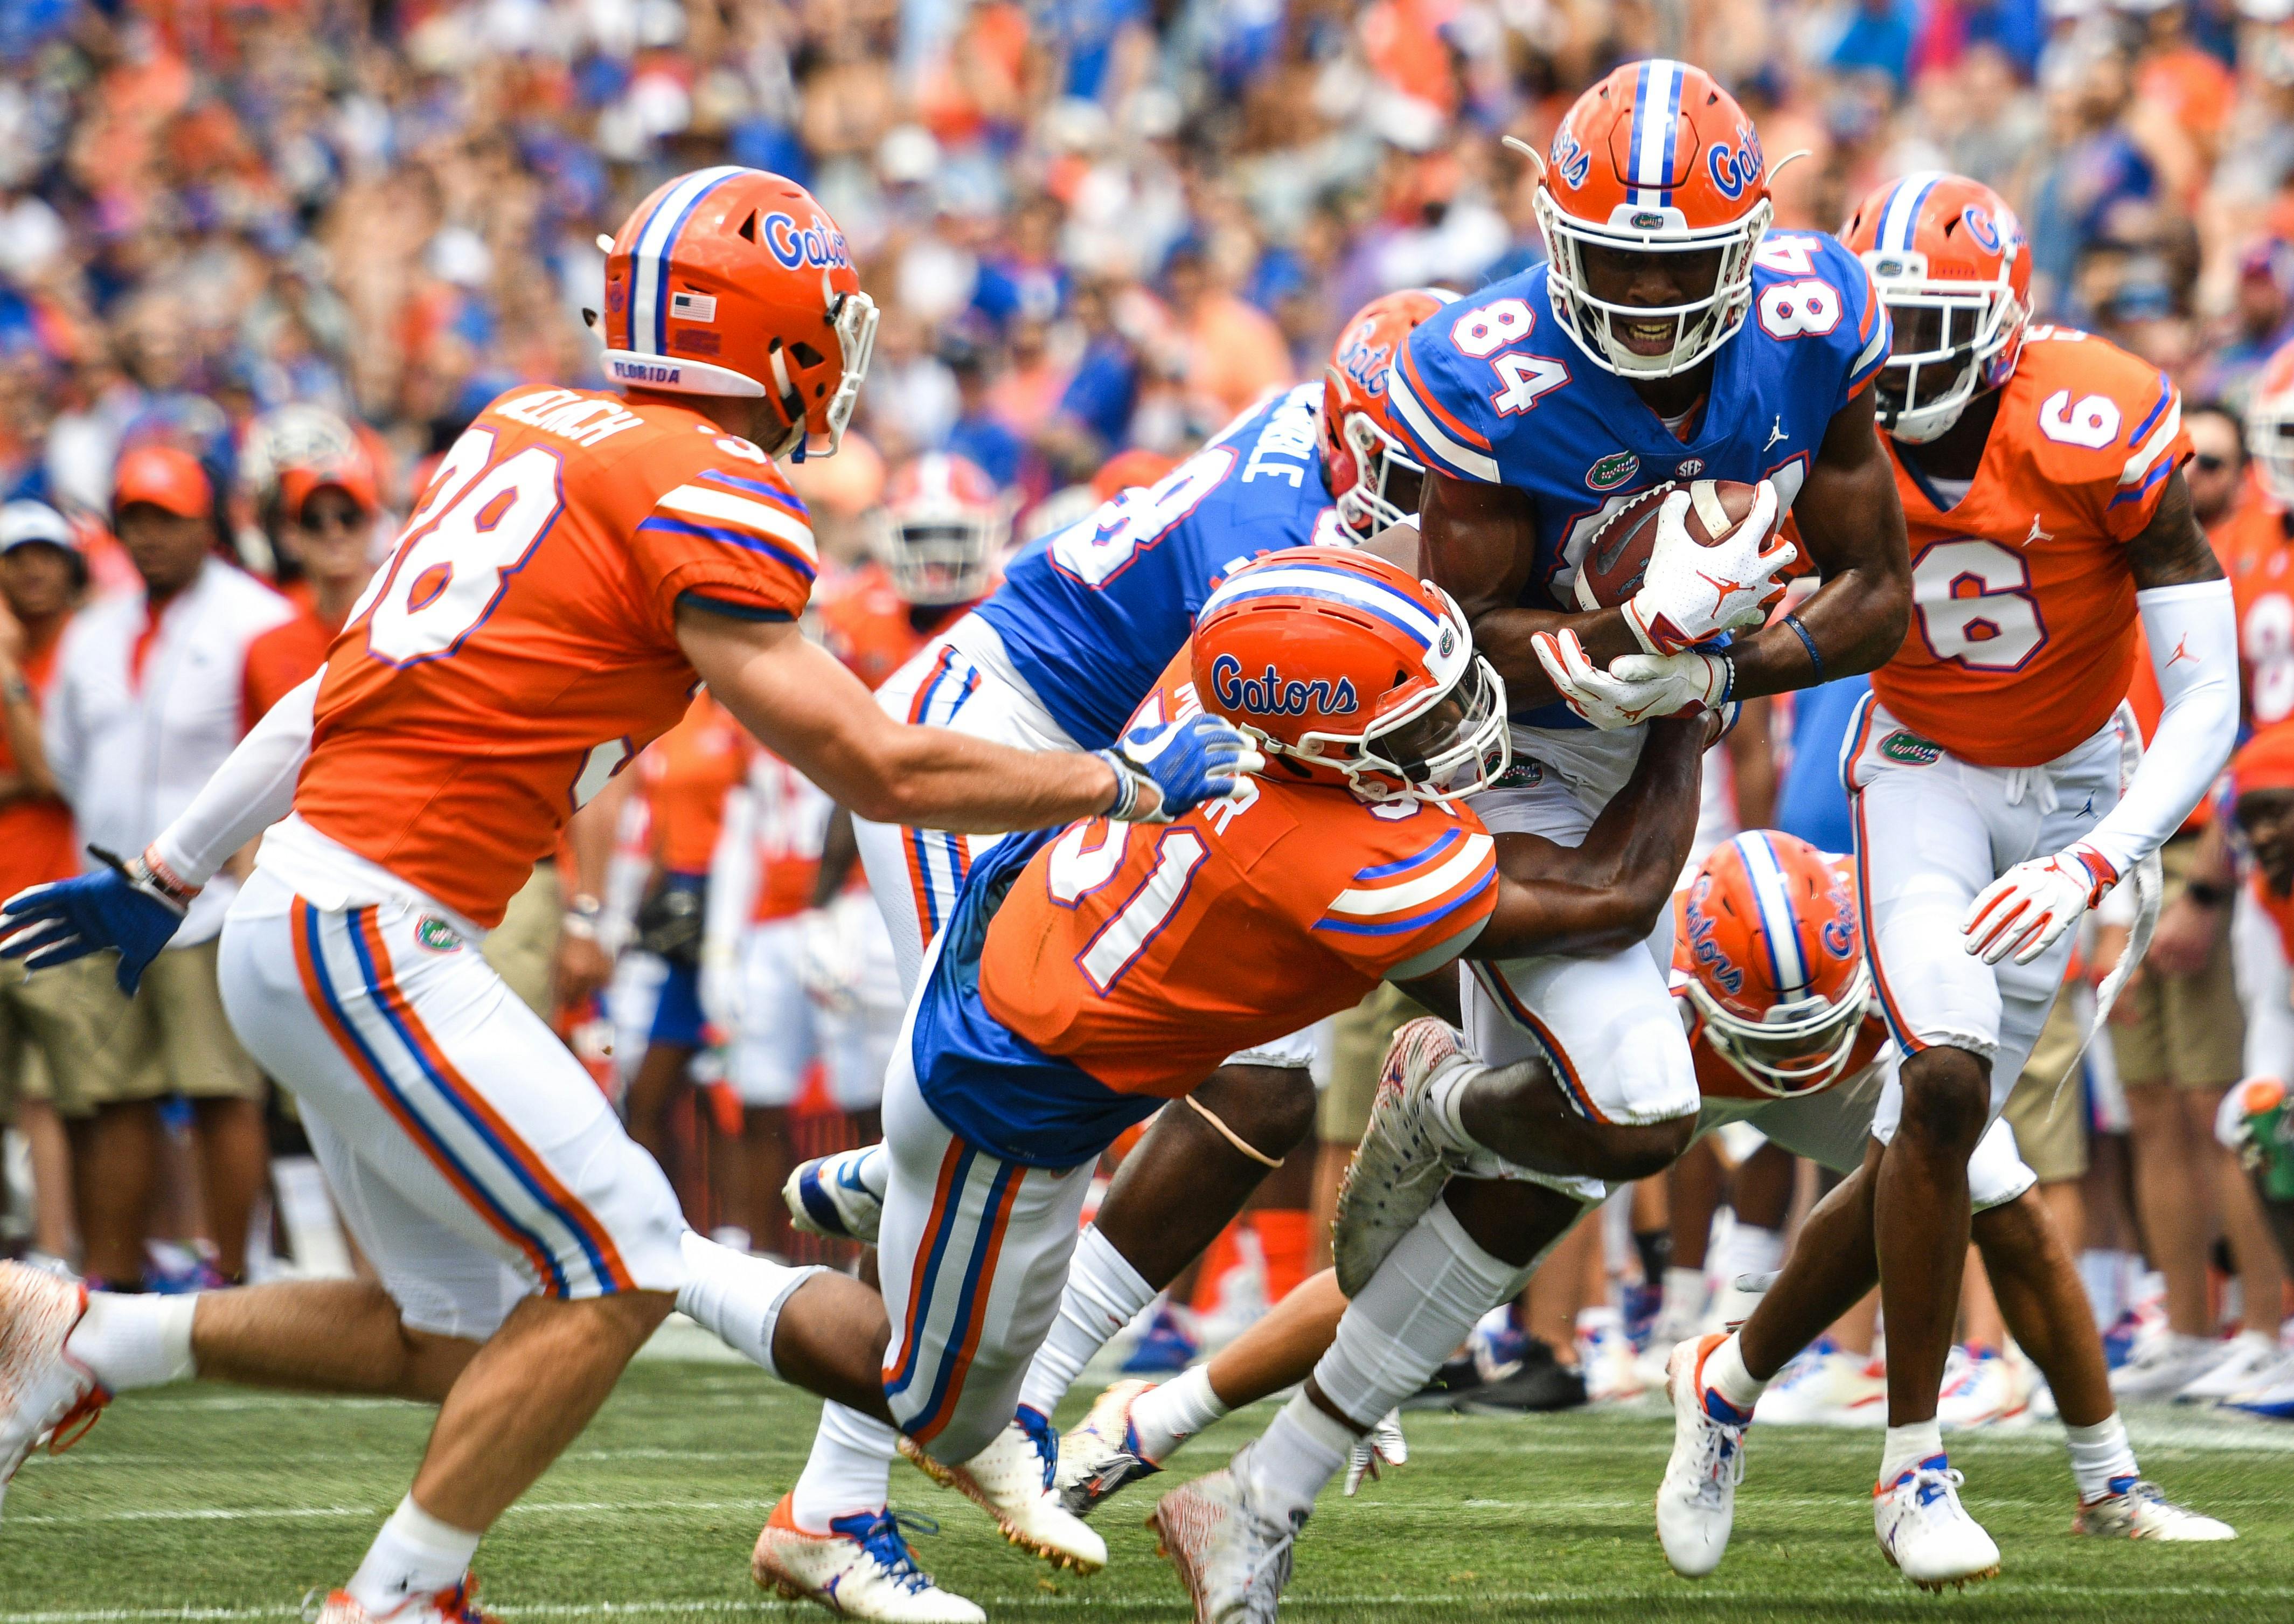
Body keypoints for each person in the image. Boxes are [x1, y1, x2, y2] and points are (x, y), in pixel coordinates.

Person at [0, 166, 1251, 1623]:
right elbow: (873, 762)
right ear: (781, 337)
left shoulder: (522, 425)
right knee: (614, 1268)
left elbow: (334, 697)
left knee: (449, 1332)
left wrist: (171, 866)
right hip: (369, 927)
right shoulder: (709, 485)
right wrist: (1127, 783)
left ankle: (83, 1329)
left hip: (308, 907)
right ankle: (403, 1594)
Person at [1199, 66, 1909, 1620]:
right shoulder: (1491, 367)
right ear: (1552, 233)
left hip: (1674, 713)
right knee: (1637, 1103)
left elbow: (1875, 594)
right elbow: (1446, 639)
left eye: (1679, 263)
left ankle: (1264, 1483)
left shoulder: (1809, 323)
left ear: (1746, 244)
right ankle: (1212, 1427)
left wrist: (1711, 667)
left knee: (1603, 1151)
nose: (1649, 296)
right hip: (1503, 746)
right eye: (1620, 259)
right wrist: (1610, 645)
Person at [749, 547, 1713, 1621]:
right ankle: (665, 1260)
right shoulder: (1330, 853)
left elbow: (1299, 621)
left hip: (1005, 970)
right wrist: (1690, 704)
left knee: (1246, 1103)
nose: (1453, 735)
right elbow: (1612, 896)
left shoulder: (1217, 686)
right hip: (1019, 1088)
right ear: (1318, 747)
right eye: (1415, 725)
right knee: (941, 1408)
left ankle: (899, 1174)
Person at [772, 292, 1447, 1585]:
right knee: (1007, 1091)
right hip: (998, 744)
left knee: (1257, 1091)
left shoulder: (1328, 440)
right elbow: (1259, 770)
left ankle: (1017, 1390)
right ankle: (839, 1497)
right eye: (1421, 464)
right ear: (1359, 437)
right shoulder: (1275, 539)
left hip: (1120, 761)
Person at [1067, 834, 2229, 1554]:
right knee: (1443, 1270)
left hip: (1804, 1044)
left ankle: (2104, 1480)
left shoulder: (1883, 935)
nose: (1784, 1059)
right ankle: (1146, 1422)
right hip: (1656, 1083)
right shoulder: (1622, 992)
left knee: (1992, 1197)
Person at [1652, 170, 2237, 1590]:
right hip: (1919, 768)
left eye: (1934, 320)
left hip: (2081, 785)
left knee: (1941, 1133)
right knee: (1948, 1093)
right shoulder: (1820, 416)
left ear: (2004, 320)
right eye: (1887, 318)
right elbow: (1719, 569)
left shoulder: (2095, 413)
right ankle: (1912, 1462)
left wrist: (2105, 854)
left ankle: (1726, 1374)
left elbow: (2205, 686)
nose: (1902, 353)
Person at [43, 445, 321, 1288]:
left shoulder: (257, 619)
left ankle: (229, 1274)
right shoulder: (95, 627)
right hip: (108, 888)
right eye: (136, 519)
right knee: (111, 1095)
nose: (150, 536)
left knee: (219, 1088)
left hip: (212, 898)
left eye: (168, 518)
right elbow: (64, 756)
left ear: (209, 522)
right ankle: (114, 1279)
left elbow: (296, 754)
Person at [0, 502, 117, 1270]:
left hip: (57, 893)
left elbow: (56, 776)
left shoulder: (86, 651)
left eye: (46, 554)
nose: (32, 570)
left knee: (65, 1090)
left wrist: (9, 680)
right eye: (16, 557)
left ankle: (58, 1249)